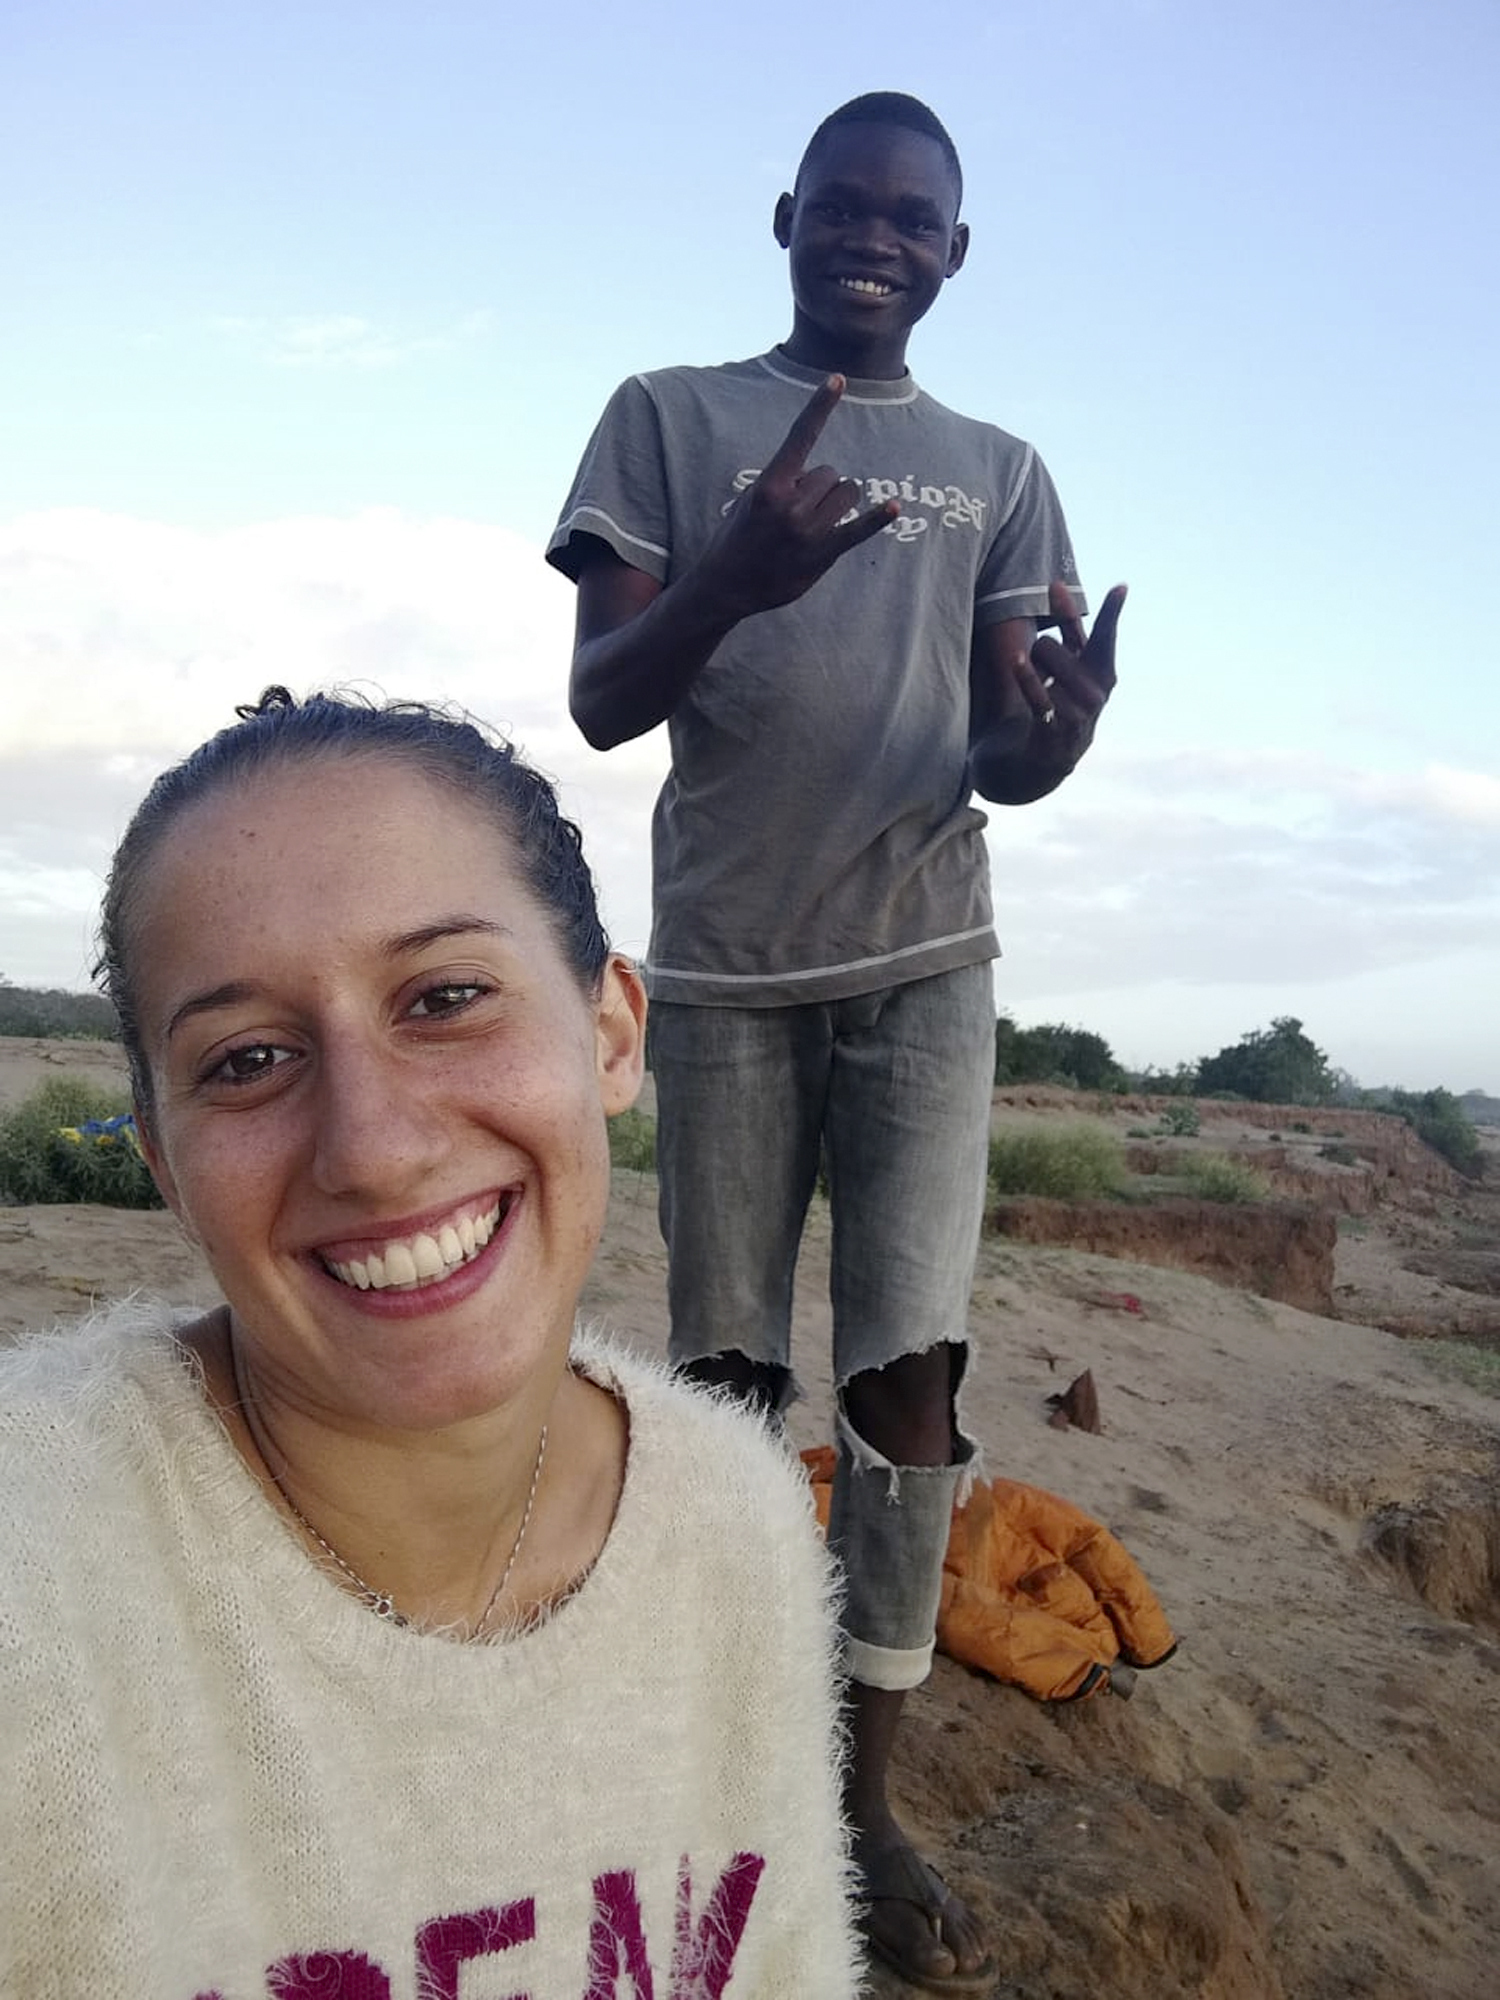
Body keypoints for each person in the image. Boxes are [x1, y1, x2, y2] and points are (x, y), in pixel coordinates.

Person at [0, 688, 858, 2000]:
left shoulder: (737, 1520)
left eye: (446, 995)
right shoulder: (37, 1578)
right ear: (164, 1160)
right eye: (245, 1061)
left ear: (615, 1034)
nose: (374, 1147)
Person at [547, 91, 1125, 1992]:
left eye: (916, 218)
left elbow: (996, 752)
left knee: (907, 1391)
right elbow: (607, 703)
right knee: (722, 1394)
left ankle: (863, 1800)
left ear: (957, 252)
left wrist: (1045, 748)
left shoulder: (999, 468)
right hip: (721, 972)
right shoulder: (668, 416)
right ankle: (731, 1753)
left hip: (926, 965)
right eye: (847, 207)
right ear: (786, 216)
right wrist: (735, 573)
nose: (876, 236)